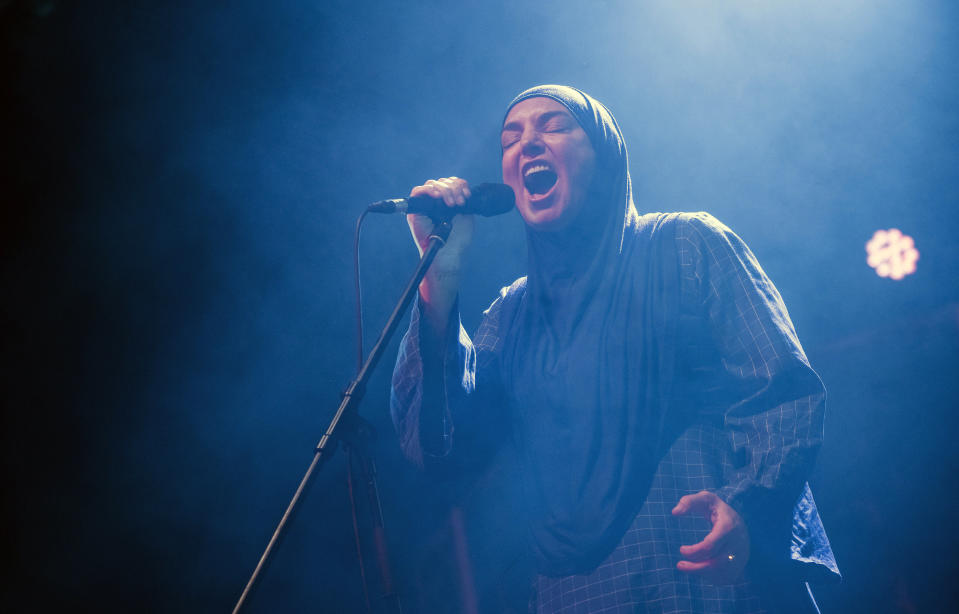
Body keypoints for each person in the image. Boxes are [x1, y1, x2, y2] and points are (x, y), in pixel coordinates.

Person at [390, 85, 839, 613]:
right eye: (510, 139)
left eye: (552, 126)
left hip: (705, 571)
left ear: (604, 156)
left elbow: (782, 389)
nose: (527, 144)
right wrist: (440, 273)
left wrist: (750, 504)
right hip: (580, 593)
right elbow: (440, 443)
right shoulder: (511, 314)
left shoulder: (684, 245)